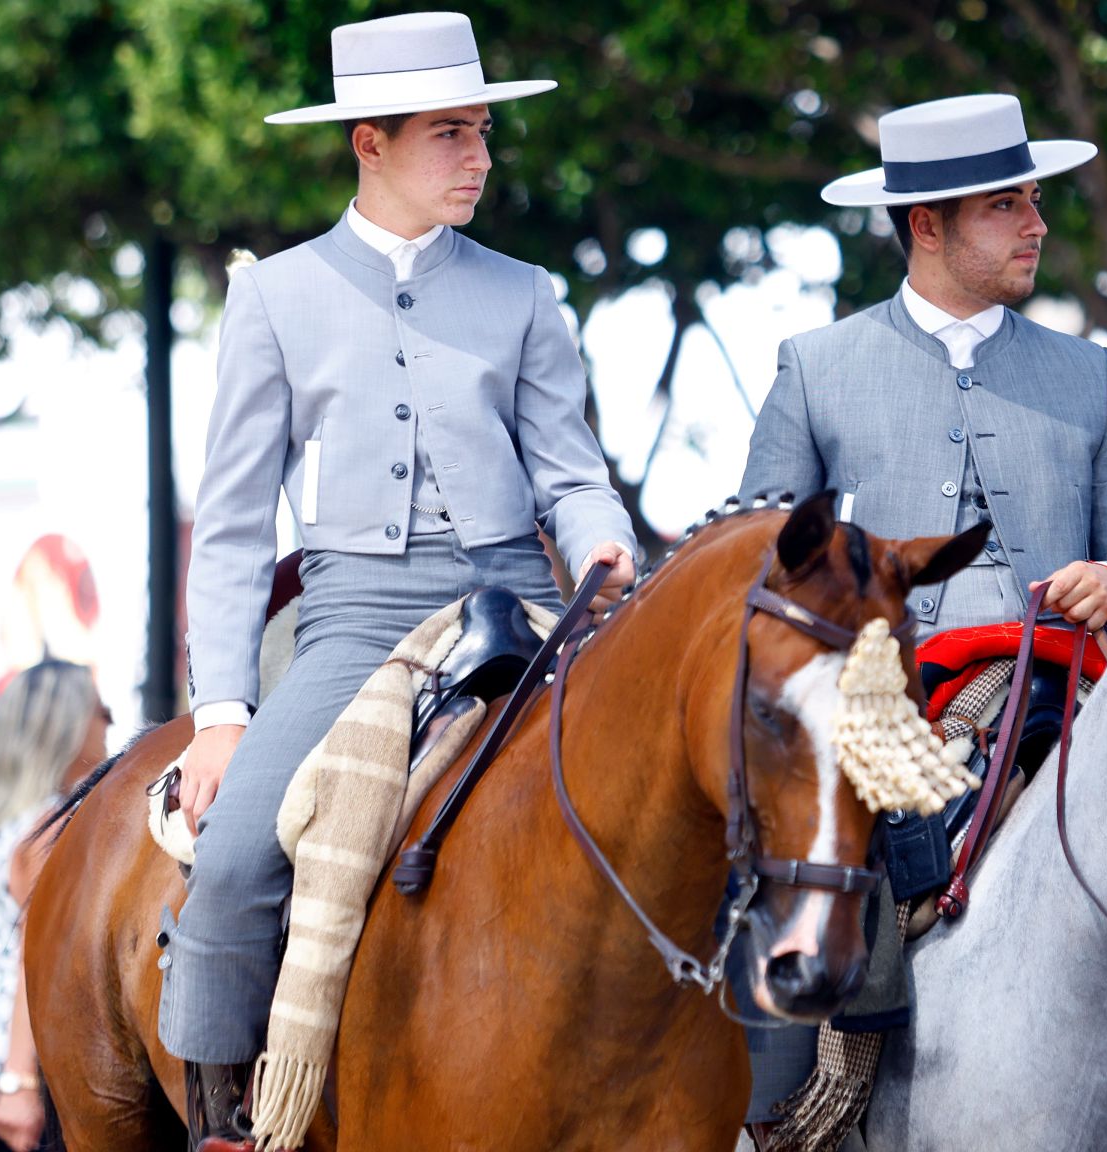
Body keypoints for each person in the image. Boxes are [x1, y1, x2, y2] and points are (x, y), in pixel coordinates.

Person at [156, 13, 636, 1149]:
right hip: (352, 621)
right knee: (228, 863)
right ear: (368, 143)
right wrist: (221, 715)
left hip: (512, 603)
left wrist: (609, 546)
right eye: (450, 134)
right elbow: (229, 523)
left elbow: (572, 474)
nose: (480, 157)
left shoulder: (525, 294)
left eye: (482, 133)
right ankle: (230, 1118)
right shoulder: (274, 296)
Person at [737, 91, 1107, 1143]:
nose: (1038, 225)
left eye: (1033, 201)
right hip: (886, 701)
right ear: (926, 225)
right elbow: (758, 563)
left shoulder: (1087, 373)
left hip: (1070, 689)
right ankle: (776, 1116)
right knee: (785, 871)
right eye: (1008, 206)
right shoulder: (818, 364)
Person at [0, 659, 109, 1152]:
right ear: (62, 724)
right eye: (97, 709)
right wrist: (19, 1083)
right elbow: (33, 961)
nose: (108, 719)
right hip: (21, 1076)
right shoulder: (46, 828)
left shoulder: (0, 818)